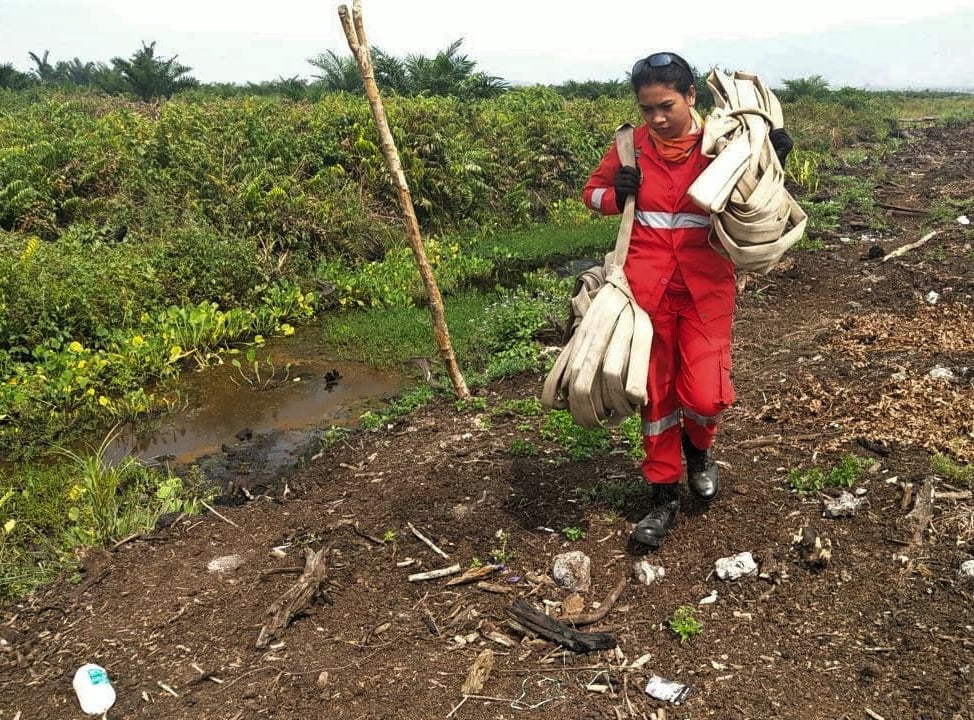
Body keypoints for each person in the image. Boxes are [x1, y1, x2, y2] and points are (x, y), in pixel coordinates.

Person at [581, 52, 792, 551]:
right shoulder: (630, 147)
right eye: (647, 108)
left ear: (691, 96)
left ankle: (699, 452)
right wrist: (615, 195)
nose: (656, 118)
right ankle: (662, 494)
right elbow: (591, 193)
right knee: (655, 397)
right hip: (645, 294)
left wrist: (773, 158)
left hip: (705, 290)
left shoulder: (726, 143)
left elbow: (759, 195)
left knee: (704, 395)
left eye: (666, 106)